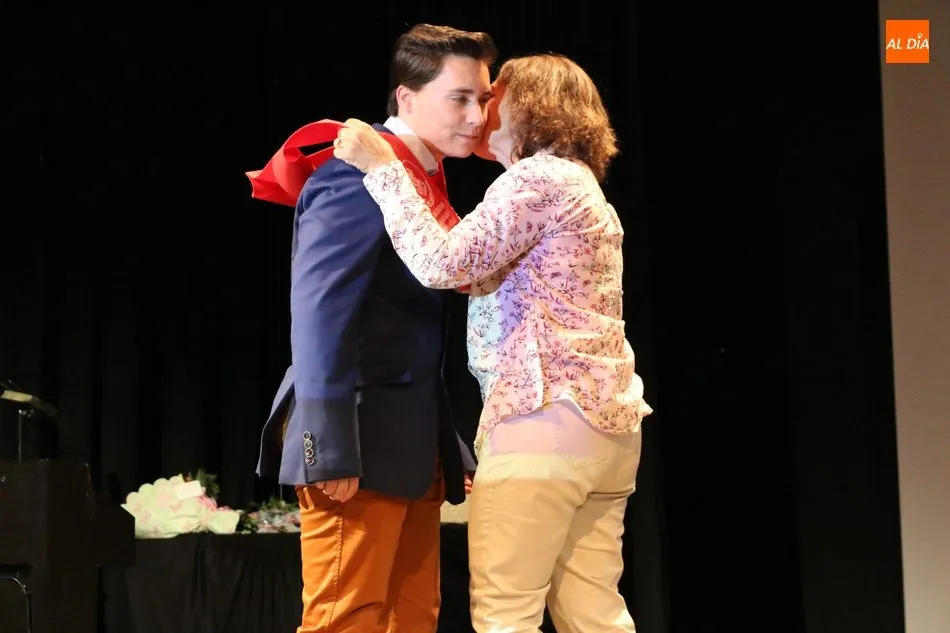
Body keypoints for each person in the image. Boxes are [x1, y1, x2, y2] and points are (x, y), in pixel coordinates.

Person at [332, 53, 653, 633]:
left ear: (528, 107)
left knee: (506, 613)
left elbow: (441, 263)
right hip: (605, 428)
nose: (479, 113)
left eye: (490, 98)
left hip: (544, 421)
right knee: (595, 616)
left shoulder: (537, 179)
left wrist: (382, 168)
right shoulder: (577, 184)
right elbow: (475, 267)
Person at [252, 24, 497, 633]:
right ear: (407, 98)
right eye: (460, 98)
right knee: (345, 620)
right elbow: (320, 314)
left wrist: (446, 442)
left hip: (410, 444)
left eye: (483, 99)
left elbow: (410, 333)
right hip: (356, 440)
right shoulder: (354, 176)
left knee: (413, 618)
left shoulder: (418, 178)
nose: (476, 116)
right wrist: (327, 444)